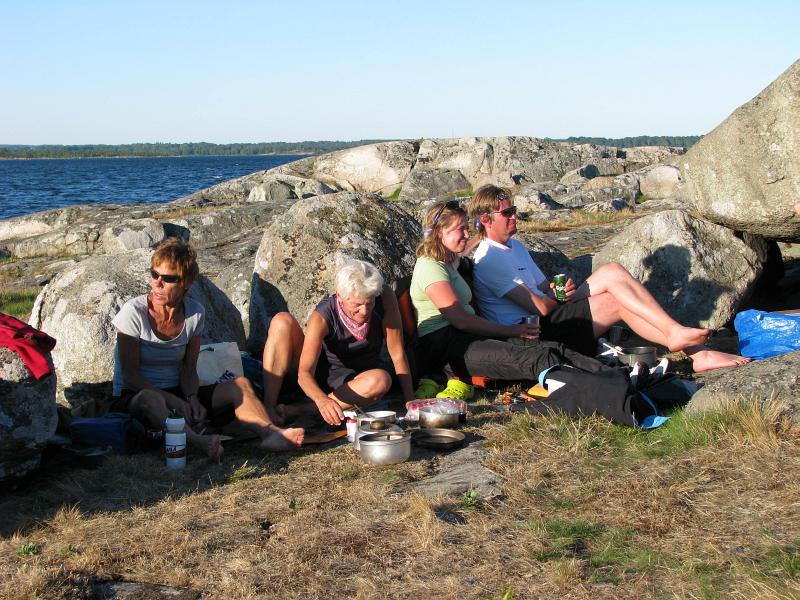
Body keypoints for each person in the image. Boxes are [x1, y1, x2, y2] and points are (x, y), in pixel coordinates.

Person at [466, 184, 751, 373]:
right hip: (530, 332)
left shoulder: (515, 247)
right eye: (508, 213)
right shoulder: (489, 259)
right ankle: (694, 350)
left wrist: (558, 288)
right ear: (486, 219)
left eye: (514, 211)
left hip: (549, 313)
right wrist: (556, 296)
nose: (515, 217)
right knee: (615, 302)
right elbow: (539, 308)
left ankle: (684, 341)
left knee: (612, 271)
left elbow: (543, 289)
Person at [111, 238, 304, 460]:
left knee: (240, 384)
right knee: (150, 399)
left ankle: (270, 433)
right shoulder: (133, 313)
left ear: (186, 283)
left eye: (168, 278)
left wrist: (192, 398)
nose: (157, 284)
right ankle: (197, 441)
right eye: (154, 275)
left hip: (177, 392)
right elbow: (130, 377)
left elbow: (189, 370)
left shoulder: (194, 313)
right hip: (136, 396)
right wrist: (176, 402)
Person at [410, 200, 601, 385]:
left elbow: (463, 249)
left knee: (553, 347)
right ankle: (594, 389)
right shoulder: (430, 266)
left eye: (468, 227)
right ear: (437, 233)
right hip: (446, 346)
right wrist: (512, 331)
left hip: (466, 336)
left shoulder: (448, 260)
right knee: (536, 356)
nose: (467, 234)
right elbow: (461, 320)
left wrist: (483, 232)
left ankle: (609, 376)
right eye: (461, 228)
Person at [296, 259, 415, 426]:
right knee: (380, 380)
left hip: (366, 377)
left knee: (381, 379)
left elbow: (397, 352)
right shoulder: (322, 317)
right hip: (332, 380)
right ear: (340, 296)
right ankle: (314, 408)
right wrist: (322, 400)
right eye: (357, 305)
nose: (365, 311)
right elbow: (304, 373)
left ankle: (305, 410)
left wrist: (410, 401)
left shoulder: (384, 296)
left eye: (369, 303)